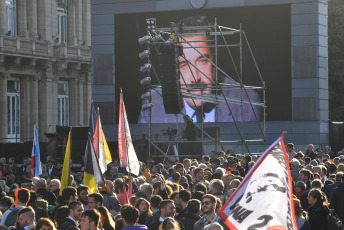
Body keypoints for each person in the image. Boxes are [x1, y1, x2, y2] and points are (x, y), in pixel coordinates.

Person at [138, 16, 261, 123]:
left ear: (215, 57)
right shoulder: (152, 105)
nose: (195, 78)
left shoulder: (246, 100)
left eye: (202, 61)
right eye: (183, 65)